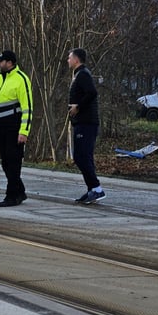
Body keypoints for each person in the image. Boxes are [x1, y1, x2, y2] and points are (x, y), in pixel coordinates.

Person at [0, 50, 33, 207]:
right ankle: (19, 190)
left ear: (10, 63)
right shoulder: (0, 79)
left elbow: (28, 108)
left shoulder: (21, 79)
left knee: (13, 162)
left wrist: (24, 131)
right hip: (2, 127)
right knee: (5, 162)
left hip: (15, 127)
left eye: (2, 61)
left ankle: (12, 196)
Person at [67, 47, 105, 204]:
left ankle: (96, 188)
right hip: (82, 122)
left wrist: (78, 107)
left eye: (69, 58)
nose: (68, 60)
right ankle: (92, 189)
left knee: (80, 156)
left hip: (86, 122)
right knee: (85, 156)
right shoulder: (79, 74)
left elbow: (92, 92)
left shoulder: (83, 74)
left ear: (76, 60)